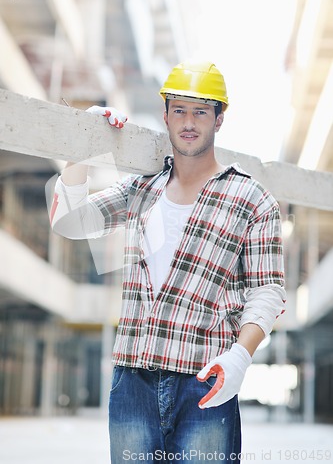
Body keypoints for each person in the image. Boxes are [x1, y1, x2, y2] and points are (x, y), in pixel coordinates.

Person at [50, 61, 286, 463]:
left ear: (219, 119)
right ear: (166, 116)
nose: (189, 122)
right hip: (132, 381)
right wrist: (84, 142)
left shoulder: (252, 199)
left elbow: (268, 292)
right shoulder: (141, 188)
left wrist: (240, 357)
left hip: (205, 379)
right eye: (179, 110)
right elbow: (70, 221)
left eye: (200, 112)